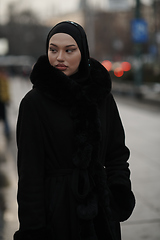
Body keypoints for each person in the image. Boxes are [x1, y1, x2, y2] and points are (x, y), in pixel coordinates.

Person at [13, 21, 135, 240]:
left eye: (69, 50)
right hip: (57, 214)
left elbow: (117, 153)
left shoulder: (101, 96)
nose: (60, 57)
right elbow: (29, 174)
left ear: (83, 52)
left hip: (101, 216)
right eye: (53, 49)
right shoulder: (34, 103)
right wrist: (33, 229)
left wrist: (117, 194)